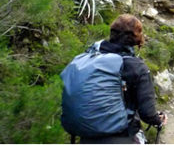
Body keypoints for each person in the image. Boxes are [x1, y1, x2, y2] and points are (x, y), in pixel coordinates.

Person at [62, 14, 167, 144]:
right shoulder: (136, 66)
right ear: (136, 39)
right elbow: (147, 113)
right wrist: (158, 120)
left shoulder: (91, 58)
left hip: (86, 136)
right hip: (121, 137)